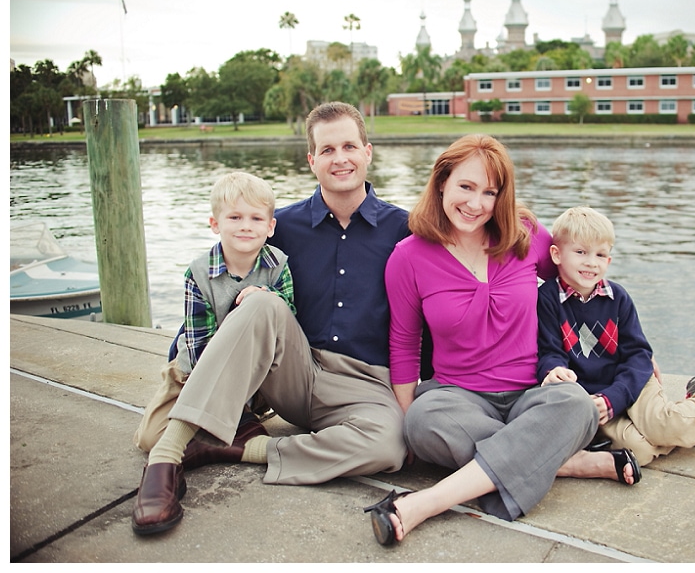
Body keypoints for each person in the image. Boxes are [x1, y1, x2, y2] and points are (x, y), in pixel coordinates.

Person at [132, 101, 410, 536]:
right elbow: (214, 285)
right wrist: (186, 366)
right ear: (311, 160)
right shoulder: (277, 225)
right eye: (328, 149)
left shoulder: (406, 229)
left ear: (368, 152)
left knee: (389, 445)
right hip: (295, 371)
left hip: (366, 384)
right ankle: (165, 461)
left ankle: (238, 449)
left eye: (350, 146)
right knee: (260, 300)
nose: (341, 158)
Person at [365, 134, 639, 547]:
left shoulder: (524, 234)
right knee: (422, 421)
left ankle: (424, 504)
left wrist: (626, 345)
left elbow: (580, 280)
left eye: (489, 192)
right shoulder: (408, 256)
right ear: (442, 182)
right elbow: (404, 345)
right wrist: (407, 429)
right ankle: (566, 460)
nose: (476, 204)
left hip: (533, 391)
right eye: (466, 187)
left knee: (575, 402)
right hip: (457, 396)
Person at [536, 206, 695, 469]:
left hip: (631, 383)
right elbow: (549, 351)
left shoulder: (617, 299)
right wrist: (554, 370)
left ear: (608, 261)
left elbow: (638, 356)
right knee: (638, 452)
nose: (590, 262)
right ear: (556, 254)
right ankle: (670, 429)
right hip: (593, 401)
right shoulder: (547, 299)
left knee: (667, 425)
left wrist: (615, 397)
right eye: (580, 252)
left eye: (600, 254)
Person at [133, 171, 294, 453]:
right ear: (215, 224)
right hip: (195, 373)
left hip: (254, 375)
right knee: (149, 439)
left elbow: (289, 315)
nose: (246, 226)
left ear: (270, 226)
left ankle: (236, 421)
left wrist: (267, 295)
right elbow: (199, 349)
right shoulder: (198, 274)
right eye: (234, 217)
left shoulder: (278, 265)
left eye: (256, 218)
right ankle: (224, 433)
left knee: (269, 305)